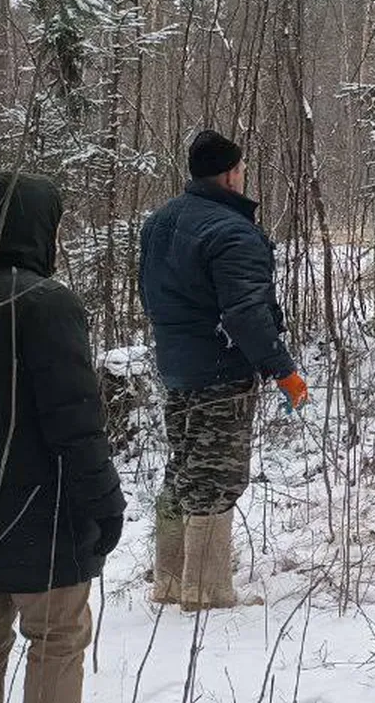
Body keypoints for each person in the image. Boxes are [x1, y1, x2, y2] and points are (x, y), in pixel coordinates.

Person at [0, 173, 124, 703]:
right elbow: (76, 424)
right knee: (57, 637)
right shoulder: (48, 304)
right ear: (38, 229)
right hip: (46, 519)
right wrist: (106, 506)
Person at [139, 130, 309, 610]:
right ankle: (206, 591)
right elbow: (245, 314)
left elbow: (149, 295)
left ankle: (169, 580)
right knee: (216, 476)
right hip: (219, 371)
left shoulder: (159, 223)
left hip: (174, 367)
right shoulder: (233, 232)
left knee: (184, 469)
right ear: (232, 173)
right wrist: (284, 372)